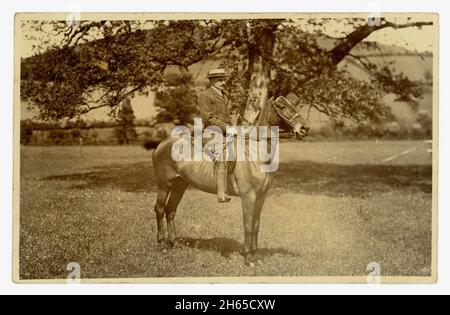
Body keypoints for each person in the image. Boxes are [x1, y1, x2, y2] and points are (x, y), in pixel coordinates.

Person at [198, 68, 237, 203]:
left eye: (224, 79)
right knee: (223, 156)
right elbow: (208, 117)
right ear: (212, 81)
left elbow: (228, 115)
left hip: (226, 132)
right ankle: (221, 193)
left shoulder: (225, 95)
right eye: (220, 80)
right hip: (212, 133)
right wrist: (227, 127)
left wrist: (233, 126)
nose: (223, 82)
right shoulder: (205, 95)